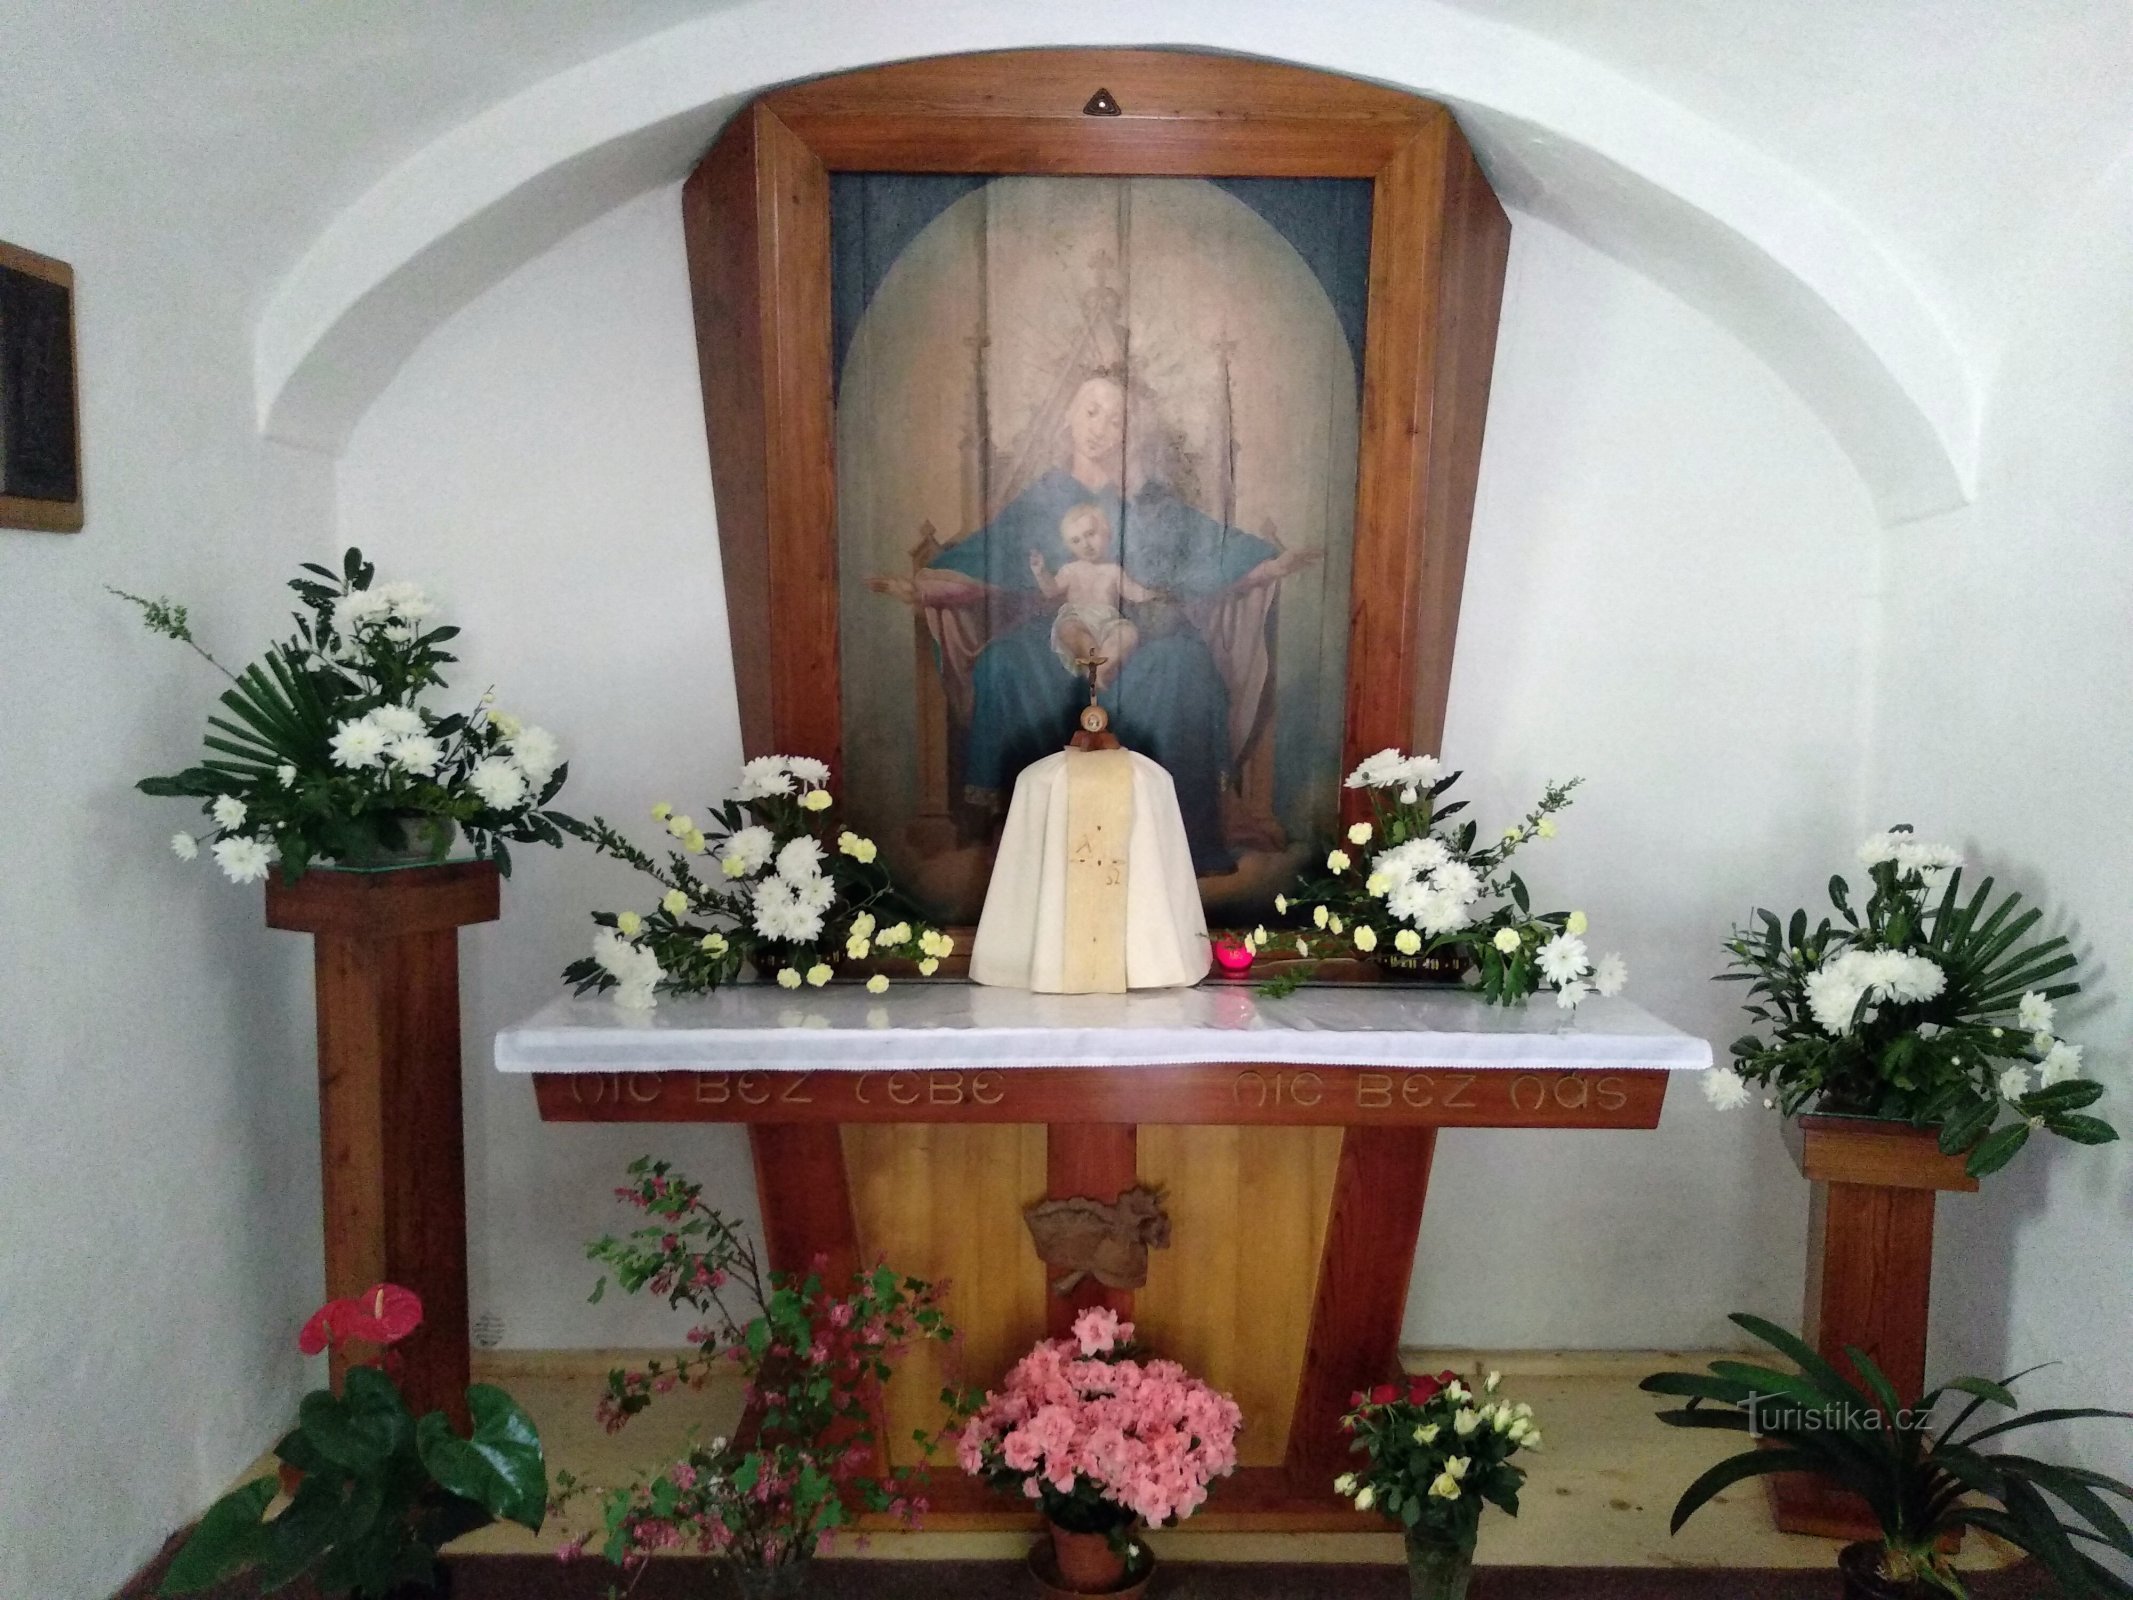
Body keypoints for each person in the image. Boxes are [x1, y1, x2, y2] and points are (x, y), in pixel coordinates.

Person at [870, 372, 1318, 876]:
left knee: (1185, 670)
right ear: (1068, 415)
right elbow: (992, 556)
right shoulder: (1044, 496)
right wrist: (927, 585)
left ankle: (1172, 844)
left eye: (1116, 418)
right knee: (1004, 666)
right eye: (1090, 411)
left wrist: (1269, 566)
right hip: (1060, 631)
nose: (1100, 427)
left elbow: (1214, 549)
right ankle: (1023, 847)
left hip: (1146, 634)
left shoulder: (1151, 500)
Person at [1028, 503, 1152, 689]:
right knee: (1070, 630)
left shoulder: (1113, 570)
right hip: (1077, 617)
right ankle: (1093, 667)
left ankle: (1102, 670)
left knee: (1128, 634)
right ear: (1069, 545)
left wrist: (1154, 594)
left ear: (1106, 533)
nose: (1085, 544)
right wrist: (1040, 572)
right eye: (1076, 540)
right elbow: (1050, 590)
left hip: (1109, 622)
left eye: (1090, 534)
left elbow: (1135, 593)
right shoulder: (1071, 570)